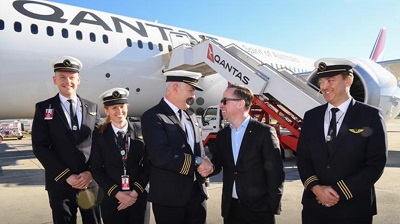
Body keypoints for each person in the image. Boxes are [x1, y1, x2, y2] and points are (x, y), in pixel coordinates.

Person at [296, 62, 388, 224]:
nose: (323, 87)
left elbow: (375, 163)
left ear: (348, 81)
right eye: (321, 82)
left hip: (353, 208)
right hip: (314, 207)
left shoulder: (370, 116)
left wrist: (338, 192)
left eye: (330, 80)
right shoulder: (311, 116)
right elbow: (303, 158)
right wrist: (317, 189)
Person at [31, 56, 102, 224]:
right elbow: (40, 146)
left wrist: (90, 172)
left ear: (78, 79)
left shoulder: (92, 107)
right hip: (60, 183)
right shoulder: (44, 108)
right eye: (62, 77)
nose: (67, 81)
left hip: (89, 182)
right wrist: (66, 176)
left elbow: (99, 143)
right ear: (54, 79)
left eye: (71, 77)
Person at [141, 70, 214, 224]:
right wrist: (198, 161)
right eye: (191, 90)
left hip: (197, 194)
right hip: (170, 198)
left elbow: (197, 149)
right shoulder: (153, 116)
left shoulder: (191, 116)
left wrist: (207, 164)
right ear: (175, 88)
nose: (193, 96)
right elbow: (160, 156)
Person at [210, 83, 285, 224]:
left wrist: (271, 206)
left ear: (241, 104)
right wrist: (206, 166)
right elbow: (217, 163)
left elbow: (275, 172)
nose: (221, 105)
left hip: (259, 211)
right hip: (231, 210)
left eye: (225, 101)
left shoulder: (264, 132)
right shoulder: (222, 135)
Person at [90, 87, 149, 224]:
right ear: (107, 111)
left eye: (122, 106)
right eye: (114, 107)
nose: (119, 111)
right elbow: (96, 168)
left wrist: (134, 194)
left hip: (139, 196)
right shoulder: (99, 135)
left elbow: (149, 164)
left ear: (127, 107)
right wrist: (118, 194)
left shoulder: (142, 130)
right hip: (112, 198)